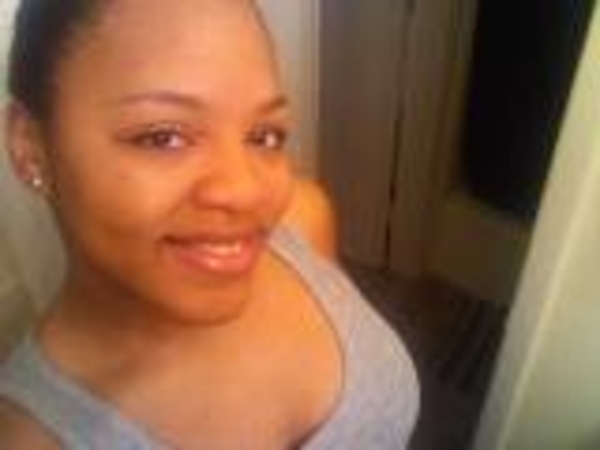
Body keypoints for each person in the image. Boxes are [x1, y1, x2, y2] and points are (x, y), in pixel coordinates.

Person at [0, 0, 419, 448]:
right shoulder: (28, 437)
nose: (247, 193)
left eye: (264, 135)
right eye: (163, 137)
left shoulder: (303, 216)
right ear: (30, 145)